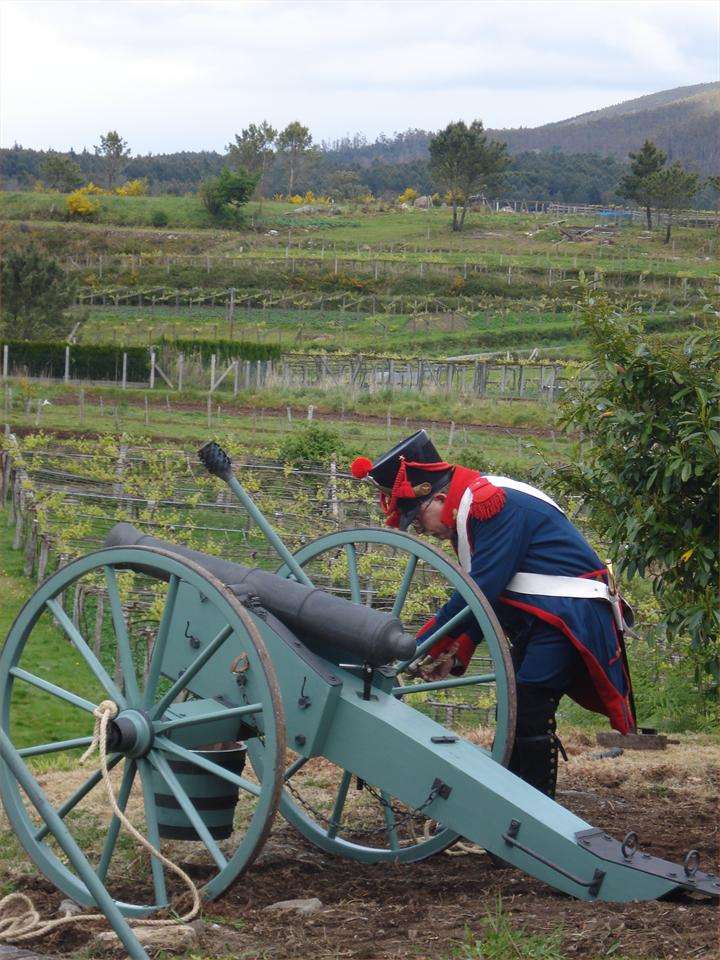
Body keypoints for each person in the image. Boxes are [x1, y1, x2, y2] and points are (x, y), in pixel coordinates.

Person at [350, 430, 635, 798]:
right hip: (542, 615)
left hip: (568, 613)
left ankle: (536, 811)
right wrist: (456, 649)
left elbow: (479, 590)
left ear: (438, 497)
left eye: (418, 518)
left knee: (529, 704)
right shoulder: (471, 510)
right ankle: (517, 802)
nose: (420, 529)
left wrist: (421, 645)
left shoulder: (491, 503)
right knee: (516, 705)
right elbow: (493, 598)